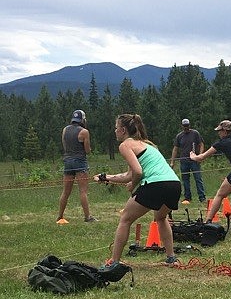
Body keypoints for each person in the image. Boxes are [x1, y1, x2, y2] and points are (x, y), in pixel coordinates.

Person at [94, 113, 181, 270]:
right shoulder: (146, 145)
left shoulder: (125, 145)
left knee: (125, 219)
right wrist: (105, 177)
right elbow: (129, 175)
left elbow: (138, 172)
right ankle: (171, 258)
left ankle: (114, 262)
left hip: (155, 184)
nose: (114, 131)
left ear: (122, 130)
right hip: (174, 184)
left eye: (115, 128)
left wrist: (133, 184)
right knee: (160, 218)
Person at [56, 109, 97, 224]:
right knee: (83, 191)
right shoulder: (84, 132)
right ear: (83, 119)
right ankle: (87, 217)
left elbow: (65, 146)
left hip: (67, 161)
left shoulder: (65, 130)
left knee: (66, 191)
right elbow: (87, 150)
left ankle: (60, 216)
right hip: (80, 162)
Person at [170, 118, 206, 204]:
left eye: (187, 125)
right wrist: (172, 162)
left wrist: (200, 156)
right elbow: (175, 149)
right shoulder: (179, 136)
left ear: (189, 125)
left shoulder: (195, 133)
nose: (186, 127)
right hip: (183, 161)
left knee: (198, 178)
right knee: (185, 180)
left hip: (194, 160)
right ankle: (187, 197)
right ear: (182, 126)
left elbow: (201, 144)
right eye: (184, 126)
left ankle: (202, 197)